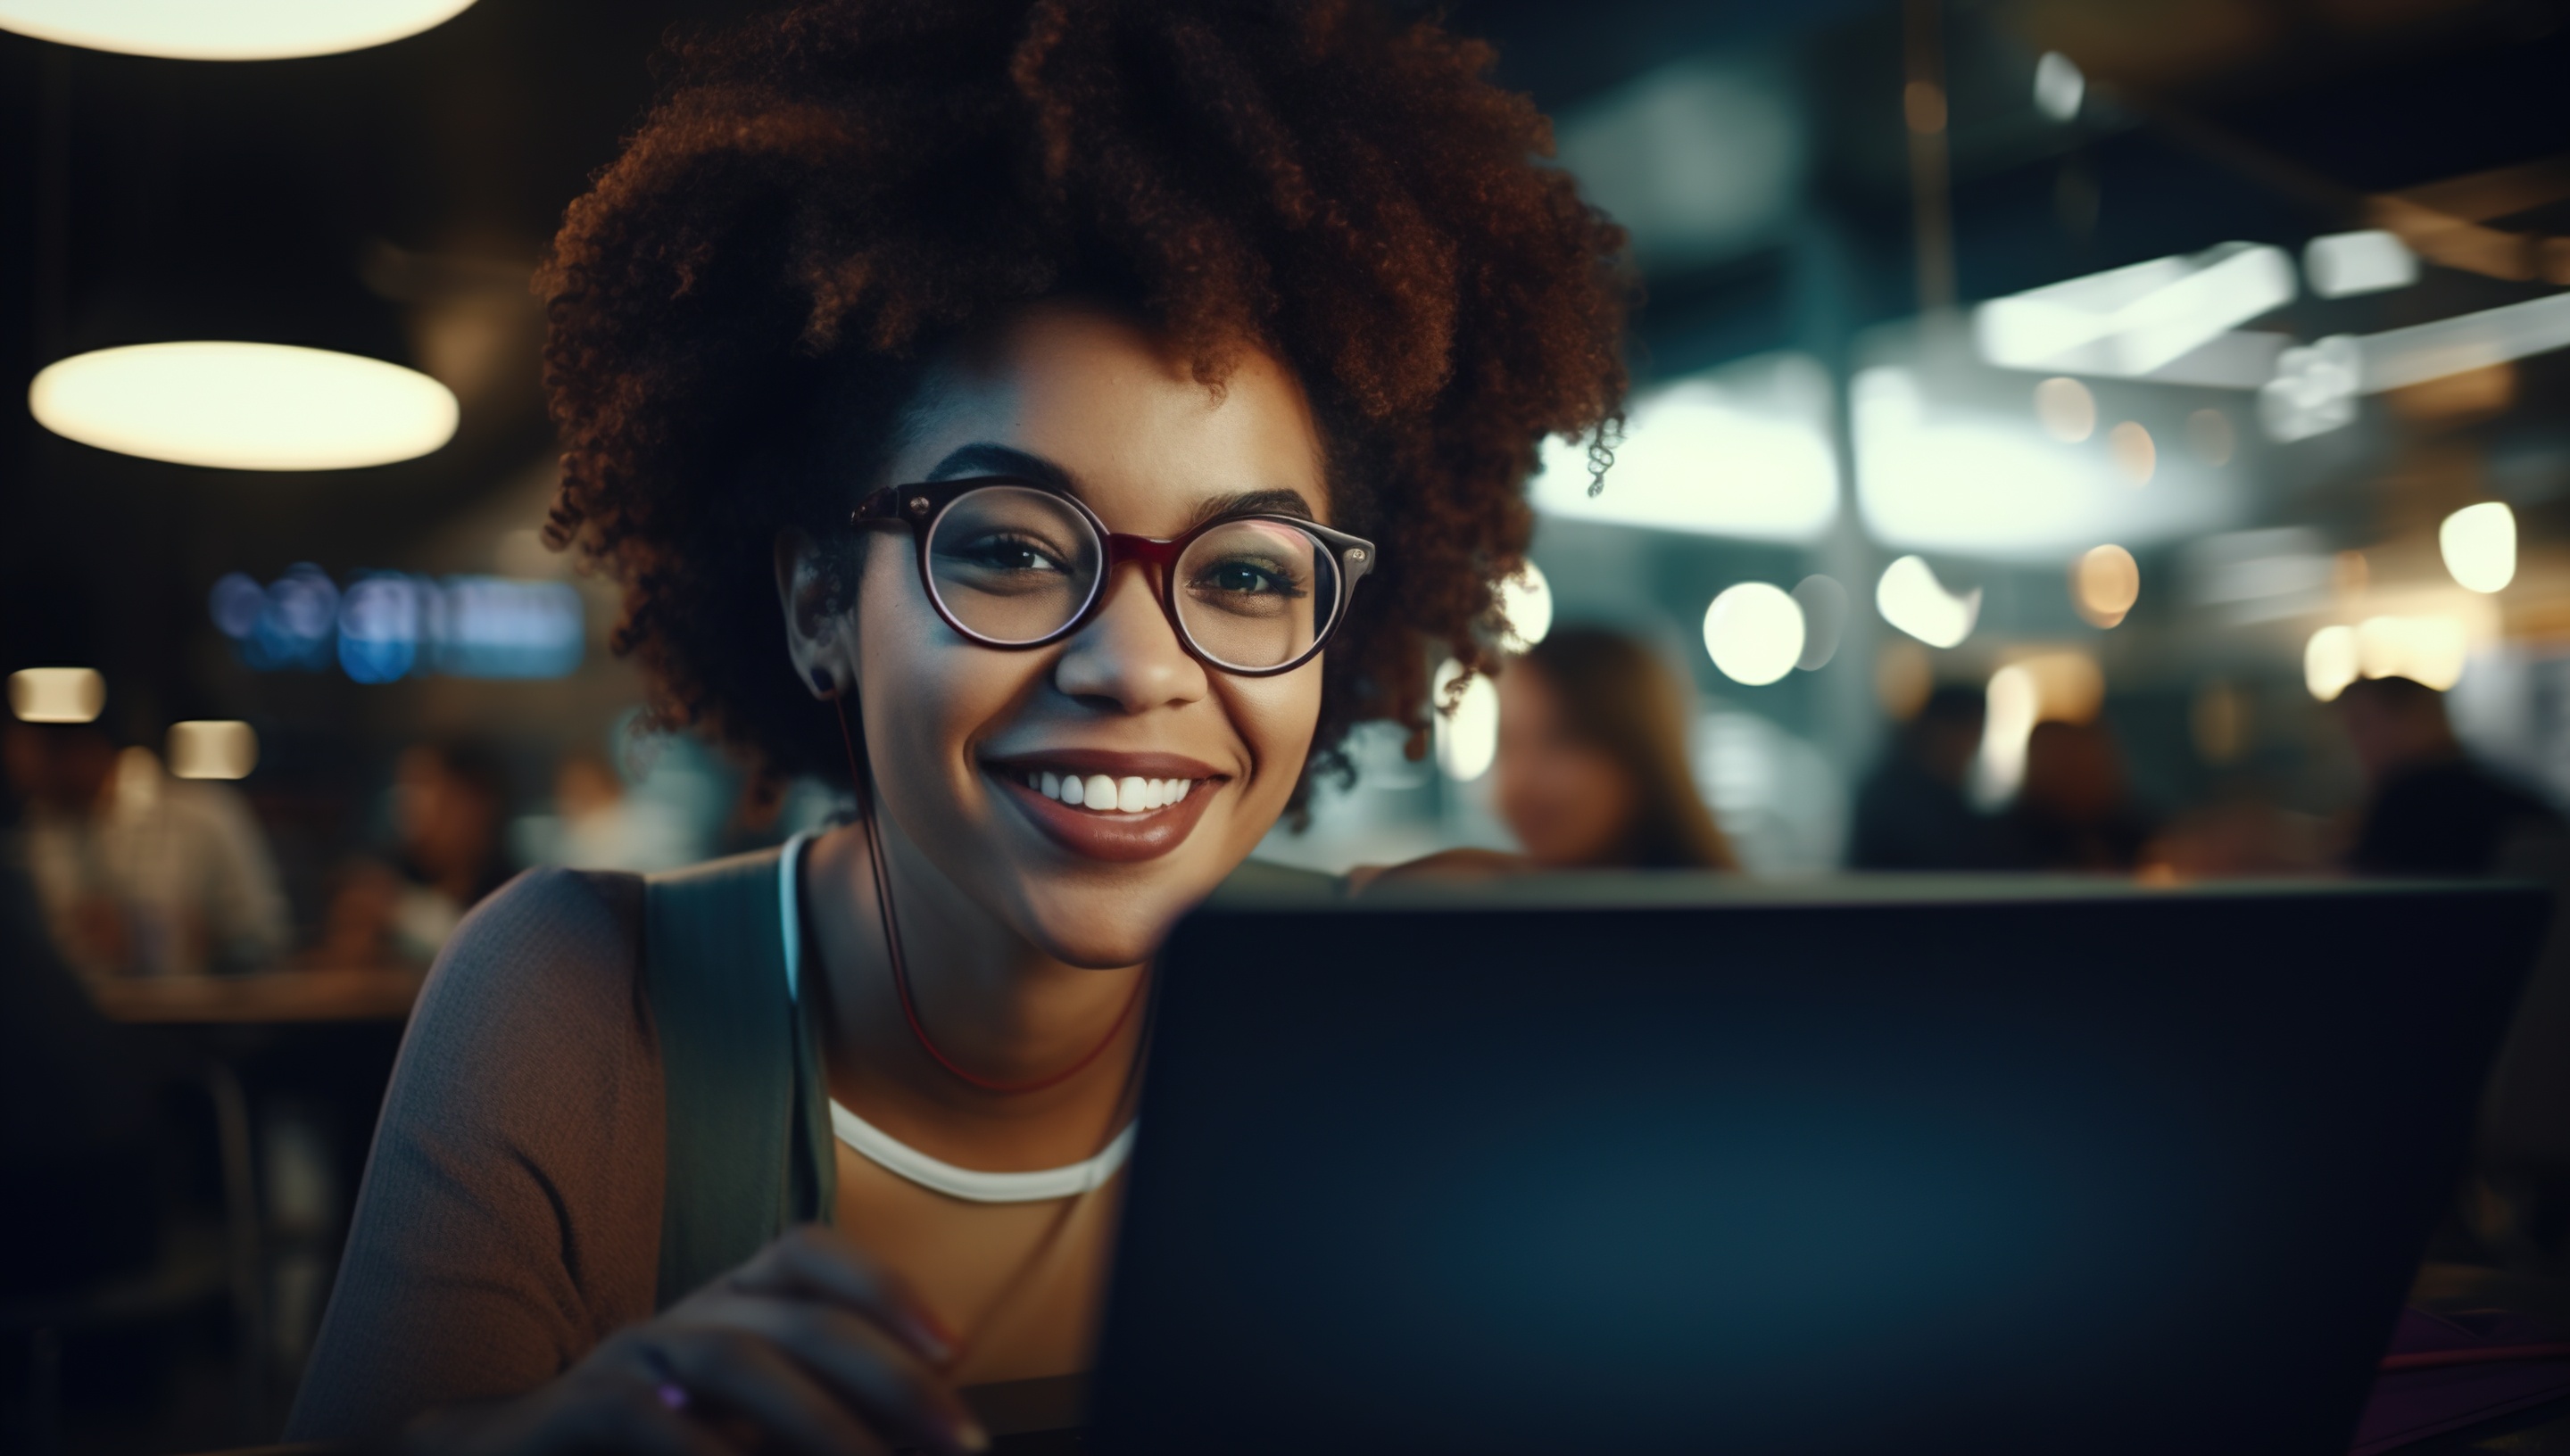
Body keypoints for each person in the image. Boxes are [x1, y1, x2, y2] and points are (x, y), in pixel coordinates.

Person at [286, 2, 1630, 1449]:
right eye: (1007, 547)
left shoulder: (1403, 1009)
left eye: (1243, 574)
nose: (1134, 667)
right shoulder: (578, 1010)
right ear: (818, 603)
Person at [5, 722, 291, 977]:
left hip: (195, 1027)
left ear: (81, 751)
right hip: (69, 1025)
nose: (22, 773)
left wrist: (169, 941)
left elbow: (264, 940)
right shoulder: (37, 828)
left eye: (35, 757)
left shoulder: (204, 813)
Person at [1492, 626, 1735, 870]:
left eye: (1562, 740)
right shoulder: (1496, 894)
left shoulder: (1721, 904)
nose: (1517, 784)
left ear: (1638, 748)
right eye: (1507, 744)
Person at [2337, 674, 2563, 876]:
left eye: (2361, 725)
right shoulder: (2504, 790)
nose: (2354, 744)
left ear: (2416, 716)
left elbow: (2361, 892)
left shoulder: (2405, 799)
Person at [1846, 684, 2013, 871]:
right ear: (1937, 730)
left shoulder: (1899, 787)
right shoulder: (1895, 798)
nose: (1971, 748)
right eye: (1970, 733)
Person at [387, 739, 514, 961]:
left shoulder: (516, 900)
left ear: (479, 802)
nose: (410, 807)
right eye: (405, 790)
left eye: (424, 787)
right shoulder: (390, 878)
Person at [2005, 718, 2151, 873]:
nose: (2080, 775)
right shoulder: (2004, 843)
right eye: (2066, 766)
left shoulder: (2136, 834)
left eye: (2091, 765)